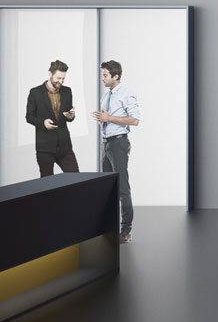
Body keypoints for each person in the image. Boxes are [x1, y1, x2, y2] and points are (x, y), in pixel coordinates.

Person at [92, 60, 141, 244]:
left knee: (122, 188)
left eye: (105, 75)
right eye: (102, 74)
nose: (102, 78)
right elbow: (107, 119)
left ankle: (126, 231)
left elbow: (135, 120)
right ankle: (108, 228)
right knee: (106, 188)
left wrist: (109, 117)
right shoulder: (106, 96)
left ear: (116, 76)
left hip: (119, 144)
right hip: (106, 144)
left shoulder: (126, 93)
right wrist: (101, 119)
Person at [26, 60, 80, 177]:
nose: (60, 81)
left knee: (76, 178)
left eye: (63, 79)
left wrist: (71, 116)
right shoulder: (35, 93)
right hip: (45, 147)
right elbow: (29, 117)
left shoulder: (67, 91)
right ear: (50, 74)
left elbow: (68, 115)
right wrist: (43, 123)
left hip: (64, 146)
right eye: (58, 78)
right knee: (47, 185)